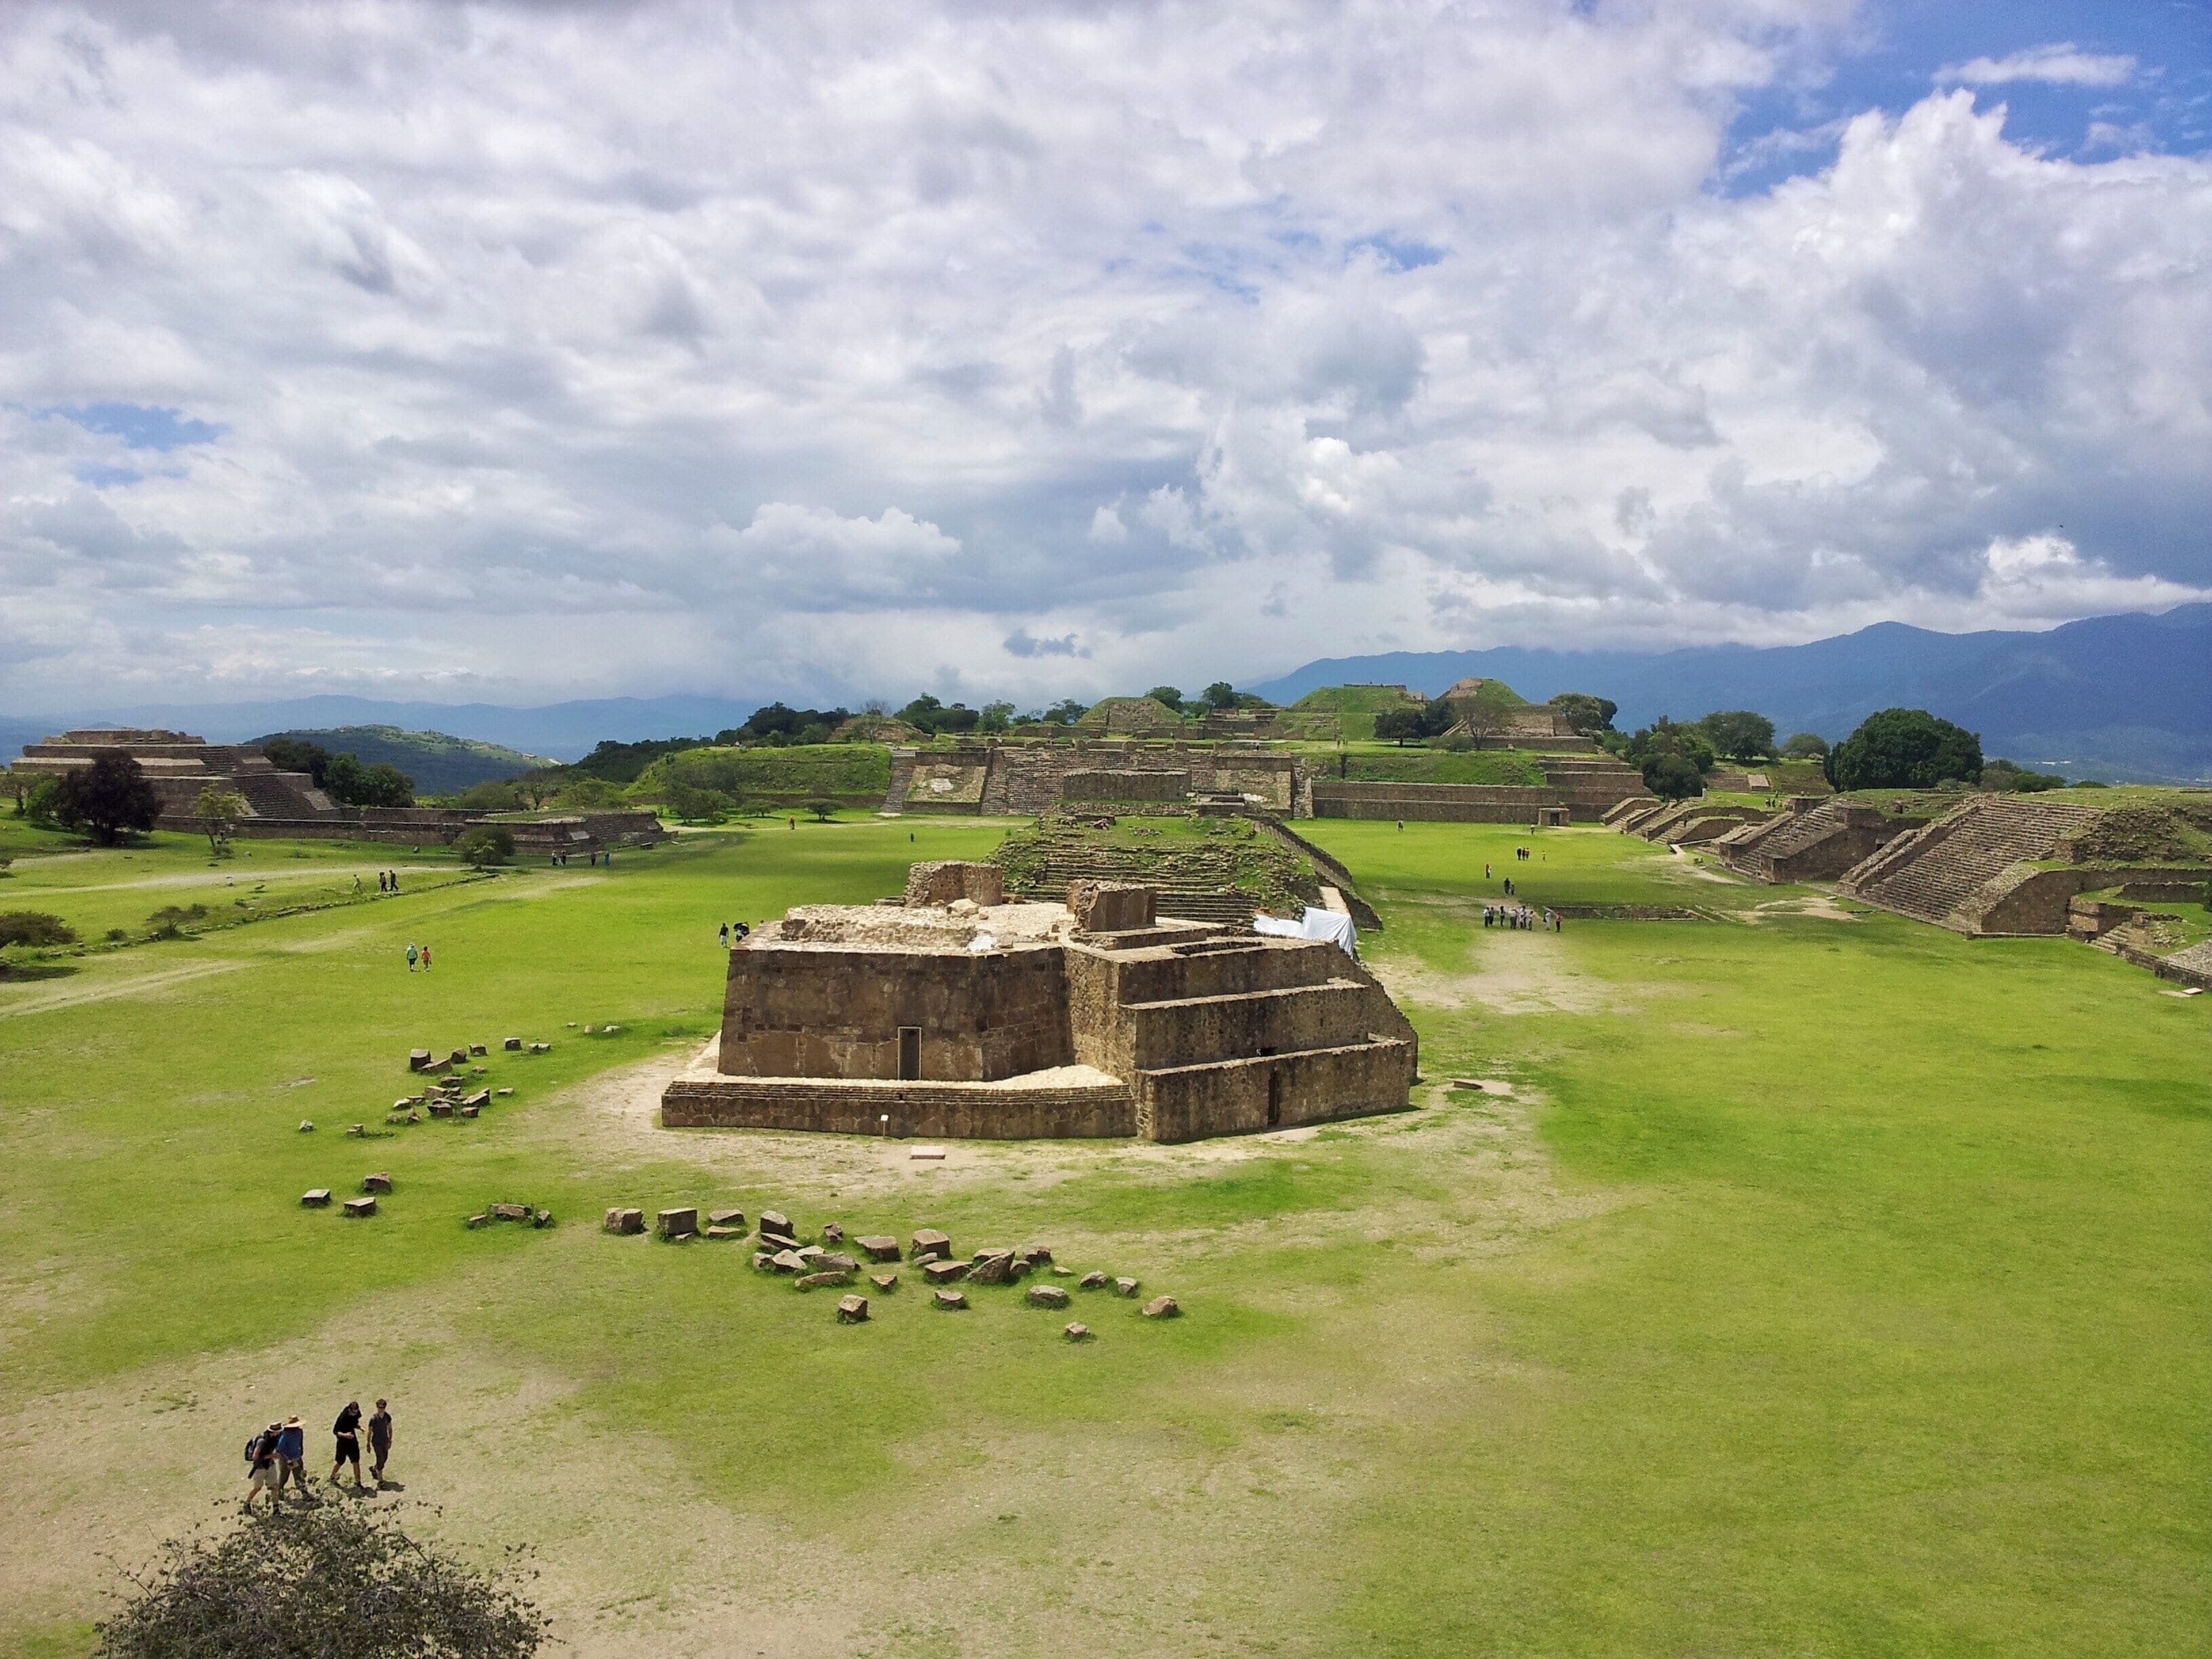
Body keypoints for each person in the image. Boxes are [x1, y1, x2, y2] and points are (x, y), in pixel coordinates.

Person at [245, 1421, 283, 1512]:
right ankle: (247, 1503)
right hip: (260, 1468)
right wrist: (271, 1456)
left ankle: (276, 1508)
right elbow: (255, 1457)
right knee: (258, 1488)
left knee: (275, 1486)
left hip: (270, 1466)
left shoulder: (275, 1438)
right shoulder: (262, 1441)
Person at [332, 1400, 364, 1488]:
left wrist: (359, 1428)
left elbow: (354, 1423)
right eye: (354, 1412)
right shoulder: (343, 1417)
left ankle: (358, 1482)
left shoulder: (357, 1414)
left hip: (353, 1442)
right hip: (342, 1443)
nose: (355, 1414)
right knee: (340, 1462)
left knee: (356, 1461)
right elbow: (335, 1431)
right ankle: (332, 1477)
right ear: (350, 1410)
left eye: (356, 1412)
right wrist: (345, 1435)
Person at [275, 1415, 308, 1501]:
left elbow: (300, 1442)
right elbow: (280, 1449)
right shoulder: (285, 1435)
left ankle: (304, 1493)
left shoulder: (299, 1432)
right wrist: (287, 1460)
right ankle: (279, 1493)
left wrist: (301, 1451)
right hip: (287, 1459)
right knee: (284, 1477)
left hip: (297, 1457)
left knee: (300, 1476)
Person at [369, 1399, 394, 1485]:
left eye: (383, 1407)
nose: (381, 1409)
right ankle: (381, 1481)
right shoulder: (374, 1419)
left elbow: (390, 1428)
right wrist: (368, 1444)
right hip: (376, 1442)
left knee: (384, 1458)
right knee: (380, 1459)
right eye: (379, 1407)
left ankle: (374, 1469)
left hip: (384, 1441)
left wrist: (390, 1440)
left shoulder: (387, 1417)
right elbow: (370, 1431)